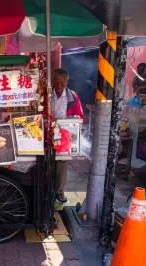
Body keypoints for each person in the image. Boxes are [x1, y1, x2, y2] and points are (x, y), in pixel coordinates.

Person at [51, 68, 85, 203]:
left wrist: (75, 119)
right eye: (57, 82)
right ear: (53, 80)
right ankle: (46, 189)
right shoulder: (46, 93)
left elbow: (80, 117)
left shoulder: (73, 96)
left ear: (67, 82)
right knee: (46, 161)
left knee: (62, 161)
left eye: (62, 83)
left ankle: (59, 192)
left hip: (64, 135)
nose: (59, 86)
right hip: (48, 131)